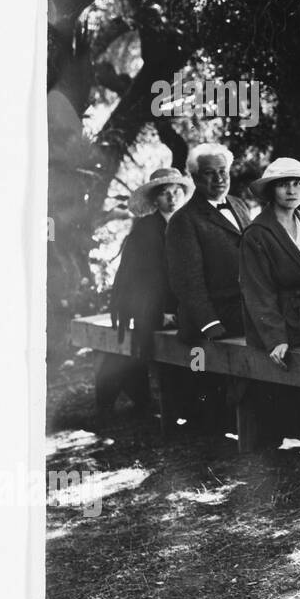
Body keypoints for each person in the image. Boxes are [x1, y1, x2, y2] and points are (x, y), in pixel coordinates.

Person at [96, 167, 192, 417]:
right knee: (135, 352)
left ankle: (191, 407)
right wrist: (157, 313)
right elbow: (138, 280)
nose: (172, 198)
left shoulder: (188, 224)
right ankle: (123, 396)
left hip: (181, 306)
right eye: (164, 193)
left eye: (176, 191)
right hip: (150, 307)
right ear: (154, 199)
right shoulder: (145, 230)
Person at [239, 158, 300, 365]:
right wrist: (276, 339)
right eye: (283, 184)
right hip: (285, 319)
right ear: (271, 191)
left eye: (297, 184)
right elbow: (258, 292)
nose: (291, 191)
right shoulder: (257, 234)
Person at [166, 143, 253, 342]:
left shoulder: (239, 205)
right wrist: (210, 324)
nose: (219, 178)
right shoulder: (183, 220)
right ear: (195, 178)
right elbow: (187, 281)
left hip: (247, 308)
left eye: (223, 171)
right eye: (209, 173)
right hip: (214, 318)